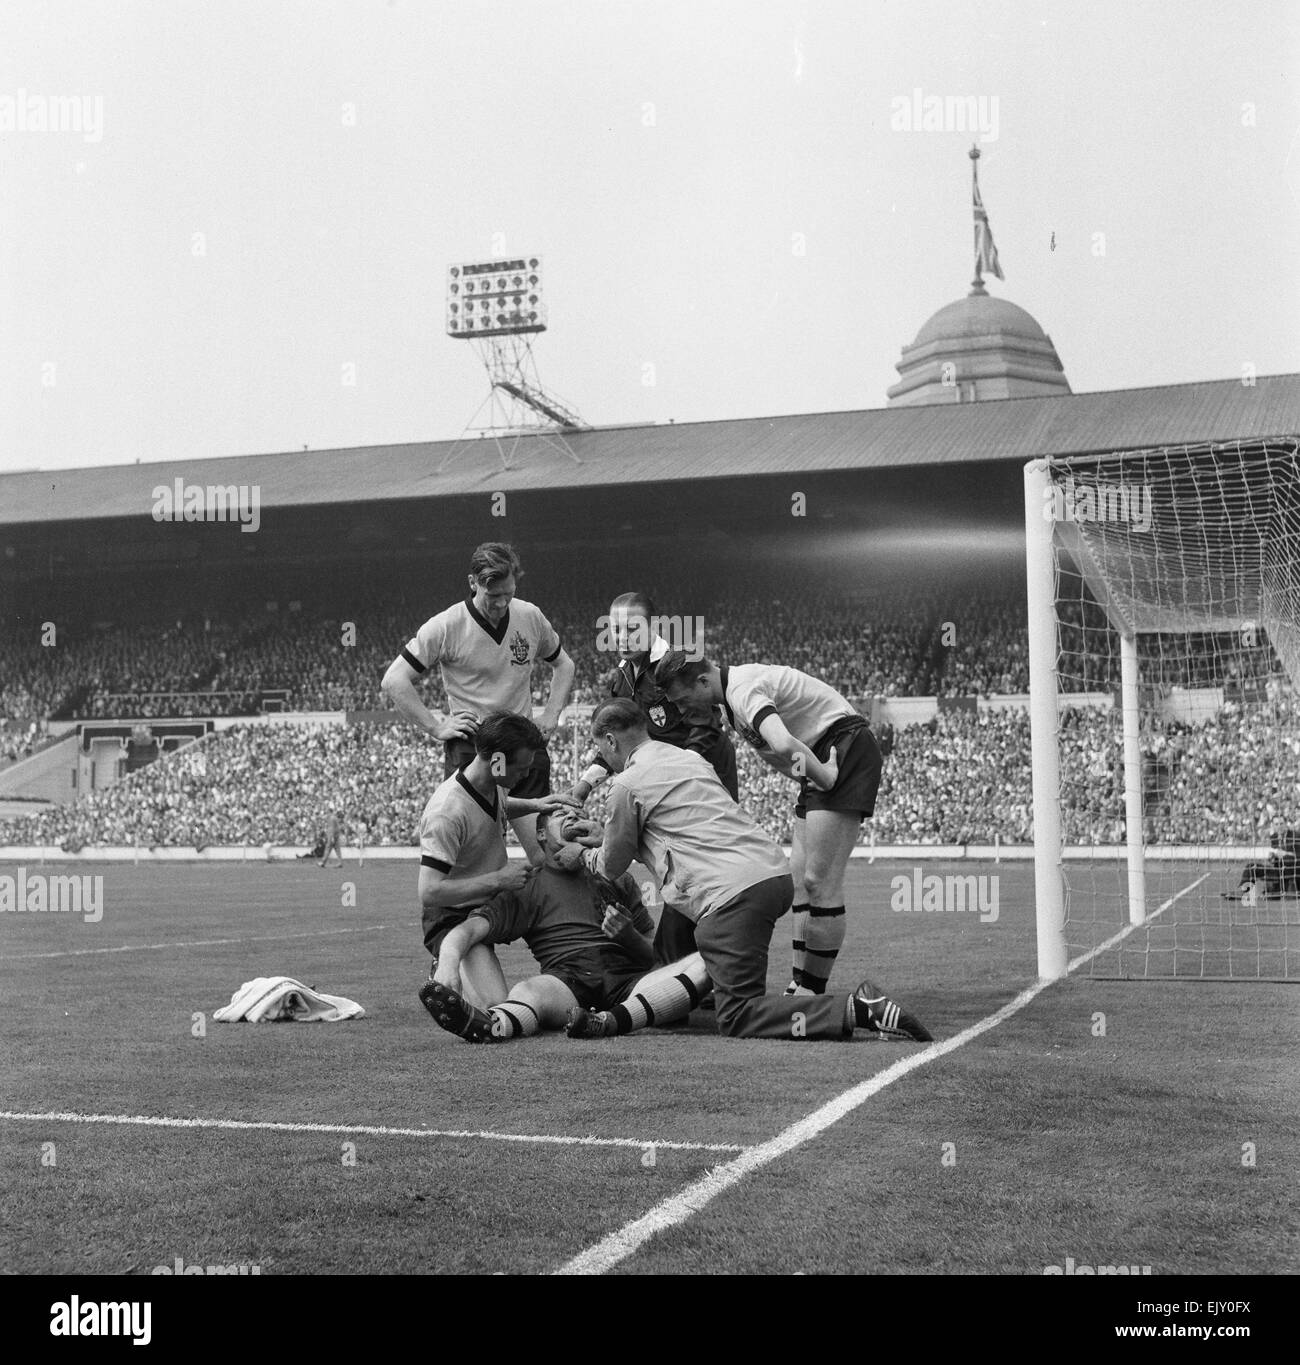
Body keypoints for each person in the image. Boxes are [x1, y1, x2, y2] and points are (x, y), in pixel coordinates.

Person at [567, 700, 930, 1042]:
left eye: (603, 749)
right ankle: (619, 1019)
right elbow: (682, 828)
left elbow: (612, 866)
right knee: (689, 966)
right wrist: (607, 836)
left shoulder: (626, 784)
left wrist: (582, 856)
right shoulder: (690, 760)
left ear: (611, 741)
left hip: (729, 894)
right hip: (771, 875)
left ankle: (857, 1008)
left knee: (738, 1014)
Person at [654, 650, 884, 998]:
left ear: (703, 681)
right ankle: (798, 984)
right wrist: (812, 777)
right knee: (800, 883)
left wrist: (826, 775)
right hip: (817, 755)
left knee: (819, 882)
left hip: (839, 746)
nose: (683, 711)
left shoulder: (743, 690)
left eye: (684, 701)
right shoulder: (732, 701)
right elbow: (781, 753)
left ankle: (811, 993)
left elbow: (782, 742)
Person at [420, 809, 710, 1042]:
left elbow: (653, 957)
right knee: (527, 992)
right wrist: (446, 964)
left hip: (628, 982)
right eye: (561, 814)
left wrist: (629, 937)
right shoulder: (527, 883)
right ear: (542, 834)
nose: (572, 816)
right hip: (568, 983)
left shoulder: (616, 876)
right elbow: (467, 931)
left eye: (577, 813)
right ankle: (493, 1026)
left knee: (705, 961)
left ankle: (611, 1022)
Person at [563, 591, 736, 967]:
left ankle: (688, 969)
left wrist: (680, 779)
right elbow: (619, 741)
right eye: (615, 629)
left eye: (631, 627)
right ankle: (690, 972)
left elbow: (707, 731)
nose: (622, 636)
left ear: (654, 627)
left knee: (698, 876)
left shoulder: (680, 664)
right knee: (680, 876)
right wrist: (583, 786)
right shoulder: (622, 679)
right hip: (665, 788)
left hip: (702, 784)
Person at [382, 542, 576, 866]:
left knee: (550, 856)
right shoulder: (445, 626)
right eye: (493, 595)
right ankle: (480, 917)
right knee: (477, 862)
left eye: (508, 594)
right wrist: (435, 726)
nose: (501, 603)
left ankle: (559, 915)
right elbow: (394, 679)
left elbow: (564, 664)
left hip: (526, 748)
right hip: (474, 751)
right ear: (473, 582)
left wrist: (552, 713)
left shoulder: (530, 616)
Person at [414, 709, 577, 1011]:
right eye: (522, 768)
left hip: (492, 903)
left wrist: (534, 804)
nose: (526, 775)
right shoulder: (446, 813)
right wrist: (499, 880)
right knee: (495, 1006)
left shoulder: (492, 782)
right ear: (498, 761)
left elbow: (499, 806)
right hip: (455, 915)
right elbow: (430, 892)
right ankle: (447, 960)